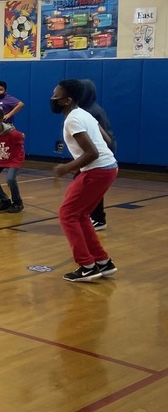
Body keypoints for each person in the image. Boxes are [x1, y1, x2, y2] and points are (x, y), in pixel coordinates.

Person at [50, 78, 118, 283]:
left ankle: (87, 266)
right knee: (80, 215)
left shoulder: (72, 119)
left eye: (56, 96)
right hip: (109, 168)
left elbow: (92, 152)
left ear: (67, 100)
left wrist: (66, 167)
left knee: (67, 214)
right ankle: (102, 261)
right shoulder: (84, 114)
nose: (52, 99)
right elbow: (107, 141)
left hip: (97, 171)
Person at [78, 79, 116, 230]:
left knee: (89, 186)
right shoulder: (84, 110)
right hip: (93, 155)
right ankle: (93, 216)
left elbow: (105, 138)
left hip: (100, 156)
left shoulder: (93, 111)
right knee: (88, 186)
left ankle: (98, 218)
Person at [0, 108, 25, 213]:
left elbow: (21, 138)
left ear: (1, 119)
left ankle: (17, 202)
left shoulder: (12, 134)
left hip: (14, 158)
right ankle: (4, 200)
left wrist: (21, 136)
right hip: (0, 158)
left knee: (10, 179)